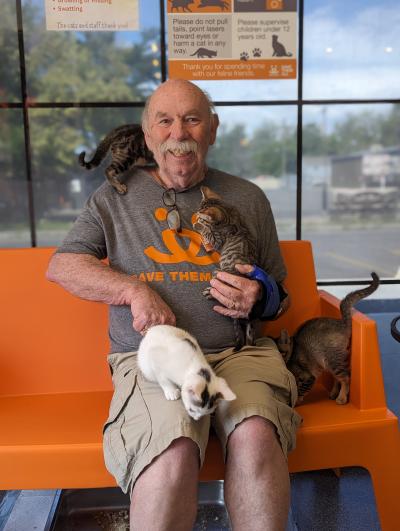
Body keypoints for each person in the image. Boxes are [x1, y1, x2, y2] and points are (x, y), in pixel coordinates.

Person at [47, 79, 301, 531]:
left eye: (192, 119)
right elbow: (63, 266)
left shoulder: (248, 197)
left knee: (257, 434)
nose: (178, 132)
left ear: (213, 130)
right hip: (155, 365)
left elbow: (280, 295)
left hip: (240, 354)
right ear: (148, 136)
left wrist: (259, 295)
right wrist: (132, 290)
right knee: (172, 447)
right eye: (164, 121)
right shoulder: (114, 197)